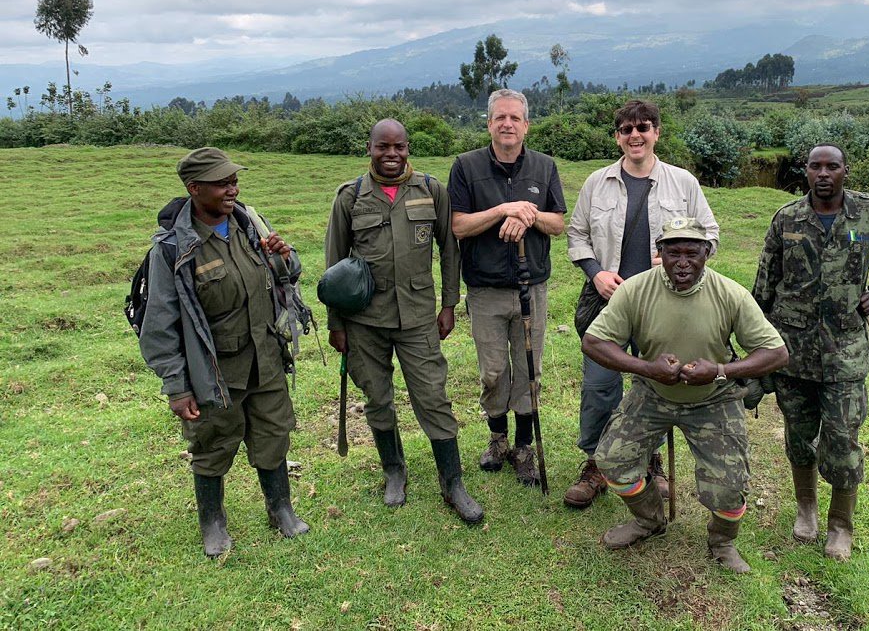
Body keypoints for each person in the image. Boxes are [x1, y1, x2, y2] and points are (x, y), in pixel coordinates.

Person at [583, 217, 788, 573]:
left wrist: (721, 371)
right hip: (652, 392)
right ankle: (649, 521)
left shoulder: (730, 294)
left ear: (707, 253)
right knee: (613, 462)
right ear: (658, 253)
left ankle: (722, 541)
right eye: (672, 252)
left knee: (728, 488)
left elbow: (776, 352)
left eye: (692, 253)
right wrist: (646, 368)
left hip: (714, 397)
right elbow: (594, 341)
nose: (682, 262)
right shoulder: (635, 289)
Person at [139, 147, 309, 558]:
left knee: (273, 435)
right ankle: (212, 523)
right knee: (213, 446)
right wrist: (178, 388)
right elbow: (159, 325)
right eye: (222, 182)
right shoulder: (173, 249)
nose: (232, 188)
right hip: (214, 371)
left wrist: (284, 257)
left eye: (234, 180)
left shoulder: (248, 224)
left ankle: (280, 509)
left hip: (265, 359)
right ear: (194, 189)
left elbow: (289, 275)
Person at [752, 143, 869, 561]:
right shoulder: (786, 219)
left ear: (846, 171)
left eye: (832, 167)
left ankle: (840, 525)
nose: (823, 174)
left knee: (841, 439)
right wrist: (756, 348)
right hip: (793, 352)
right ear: (804, 171)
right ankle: (806, 509)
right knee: (799, 436)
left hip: (844, 352)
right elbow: (764, 286)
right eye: (815, 166)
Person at [324, 119, 483, 524]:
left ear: (408, 148)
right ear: (370, 148)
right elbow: (333, 266)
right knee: (377, 398)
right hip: (364, 321)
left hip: (417, 317)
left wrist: (449, 305)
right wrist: (336, 324)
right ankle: (394, 471)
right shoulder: (350, 197)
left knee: (433, 397)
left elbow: (450, 250)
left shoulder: (431, 191)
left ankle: (453, 482)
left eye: (399, 147)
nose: (391, 155)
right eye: (383, 147)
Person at [564, 99, 719, 509]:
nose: (636, 135)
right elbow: (576, 235)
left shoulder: (682, 182)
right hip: (607, 302)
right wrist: (595, 271)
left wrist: (680, 260)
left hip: (662, 303)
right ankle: (598, 464)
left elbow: (710, 235)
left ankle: (651, 463)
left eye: (644, 127)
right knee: (600, 385)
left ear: (657, 132)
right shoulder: (597, 182)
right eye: (627, 129)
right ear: (617, 136)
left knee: (656, 383)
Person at [447, 89, 566, 487]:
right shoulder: (466, 167)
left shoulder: (545, 167)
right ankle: (497, 438)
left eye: (515, 118)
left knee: (529, 370)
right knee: (494, 372)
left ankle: (523, 446)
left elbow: (558, 223)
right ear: (489, 124)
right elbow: (458, 225)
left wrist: (528, 214)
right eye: (500, 118)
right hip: (484, 289)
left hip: (532, 286)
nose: (507, 124)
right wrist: (503, 209)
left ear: (526, 125)